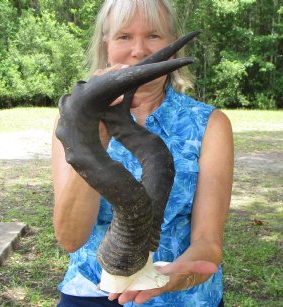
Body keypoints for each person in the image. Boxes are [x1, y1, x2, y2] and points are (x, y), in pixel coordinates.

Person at [52, 0, 234, 306]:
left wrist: (176, 276)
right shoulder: (73, 121)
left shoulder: (209, 125)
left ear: (172, 44)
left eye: (154, 36)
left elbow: (207, 241)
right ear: (106, 44)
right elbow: (71, 238)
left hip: (181, 294)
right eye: (124, 36)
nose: (139, 50)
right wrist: (94, 131)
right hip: (91, 291)